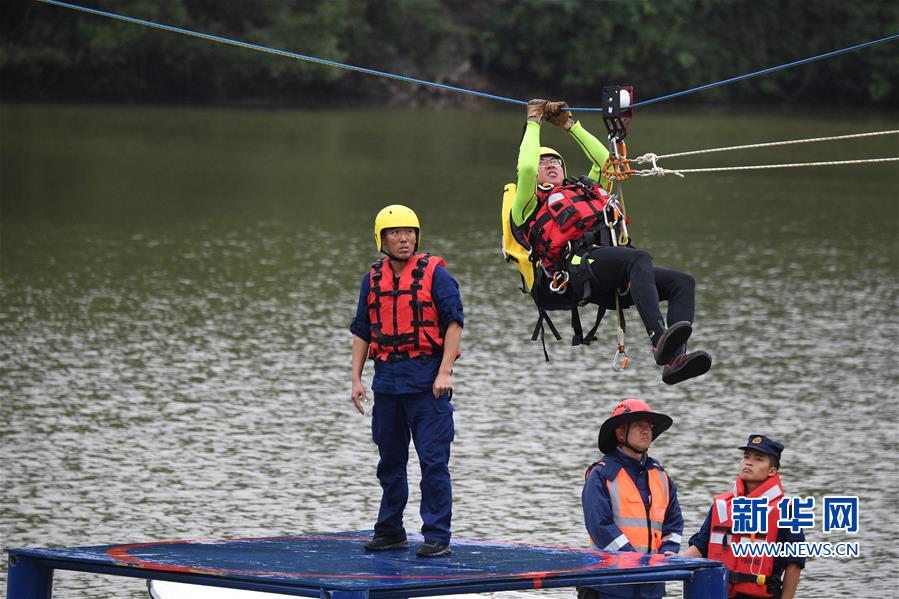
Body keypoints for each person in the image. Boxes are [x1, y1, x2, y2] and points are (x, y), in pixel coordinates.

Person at [508, 99, 711, 384]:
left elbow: (605, 161)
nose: (550, 165)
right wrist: (533, 120)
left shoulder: (586, 190)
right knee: (638, 258)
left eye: (555, 161)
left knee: (682, 283)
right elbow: (526, 169)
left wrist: (569, 126)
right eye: (544, 162)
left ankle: (675, 360)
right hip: (577, 271)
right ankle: (658, 339)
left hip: (614, 272)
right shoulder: (527, 206)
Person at [350, 204, 463, 558]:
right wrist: (355, 378)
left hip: (427, 382)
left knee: (433, 462)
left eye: (410, 232)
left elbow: (453, 324)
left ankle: (436, 535)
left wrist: (445, 371)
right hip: (387, 383)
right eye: (396, 233)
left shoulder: (436, 276)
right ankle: (391, 530)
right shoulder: (372, 278)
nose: (404, 238)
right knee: (390, 461)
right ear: (381, 239)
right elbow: (362, 331)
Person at [580, 399, 684, 599]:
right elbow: (600, 526)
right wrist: (633, 559)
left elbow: (674, 523)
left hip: (651, 585)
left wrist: (668, 552)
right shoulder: (601, 474)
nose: (646, 432)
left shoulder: (661, 476)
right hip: (608, 584)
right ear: (620, 434)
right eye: (639, 426)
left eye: (649, 427)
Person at [677, 435, 804, 599]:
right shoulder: (722, 505)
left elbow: (794, 564)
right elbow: (701, 546)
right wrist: (676, 561)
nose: (749, 462)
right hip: (718, 592)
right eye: (746, 457)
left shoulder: (786, 510)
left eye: (759, 459)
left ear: (772, 471)